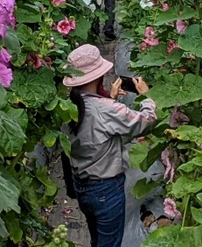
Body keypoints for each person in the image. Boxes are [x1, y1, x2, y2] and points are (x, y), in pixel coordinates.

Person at [62, 44, 158, 247]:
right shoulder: (107, 110)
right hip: (106, 190)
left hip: (82, 186)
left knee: (97, 238)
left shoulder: (67, 106)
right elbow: (146, 121)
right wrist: (146, 96)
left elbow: (94, 128)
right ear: (98, 76)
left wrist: (110, 98)